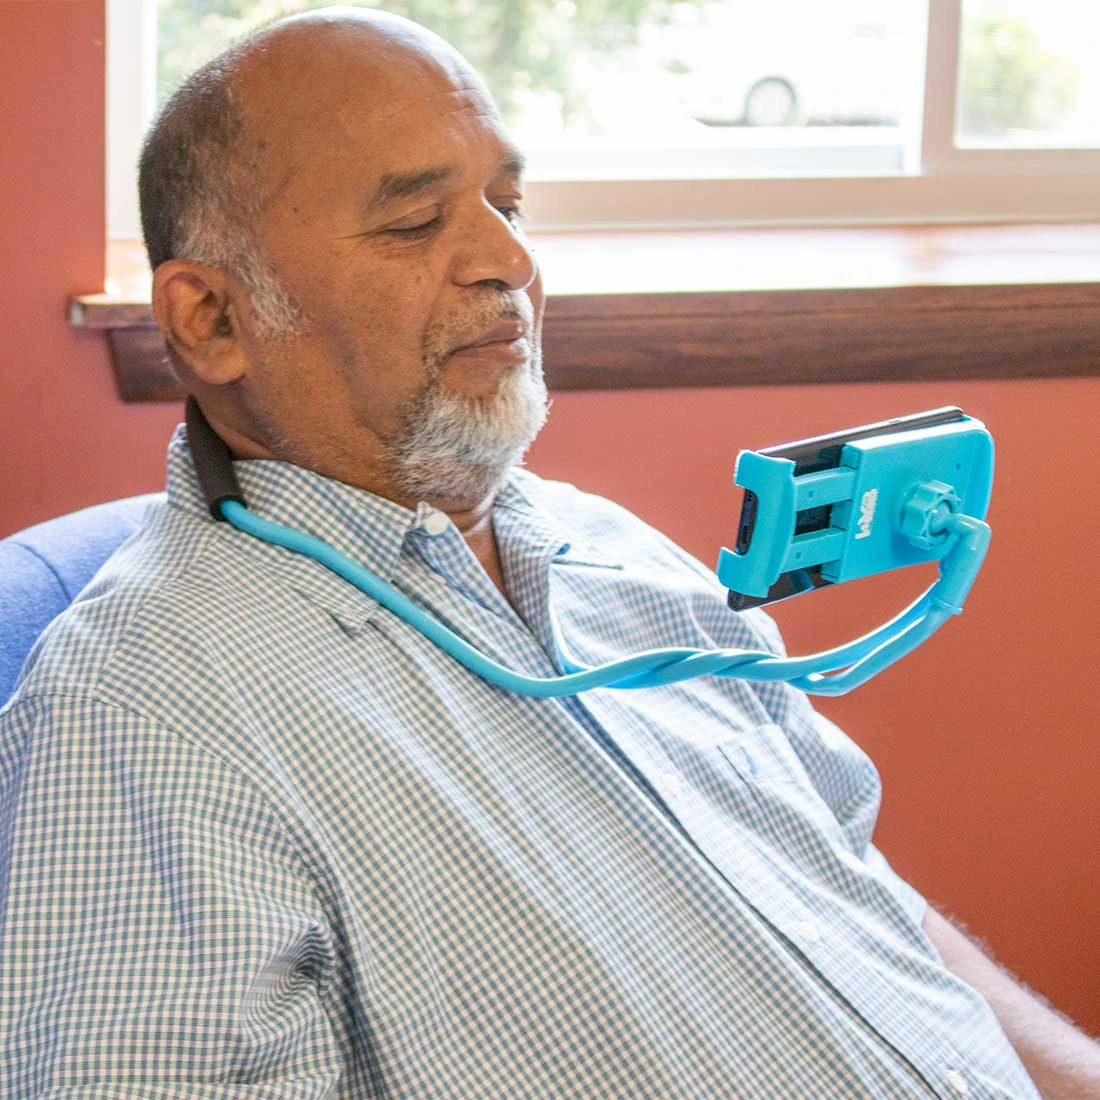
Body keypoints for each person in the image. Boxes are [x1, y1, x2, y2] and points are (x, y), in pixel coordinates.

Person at [1, 8, 1098, 1097]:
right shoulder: (148, 712)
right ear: (210, 320)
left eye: (509, 204)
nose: (511, 260)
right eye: (414, 222)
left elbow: (852, 891)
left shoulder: (613, 549)